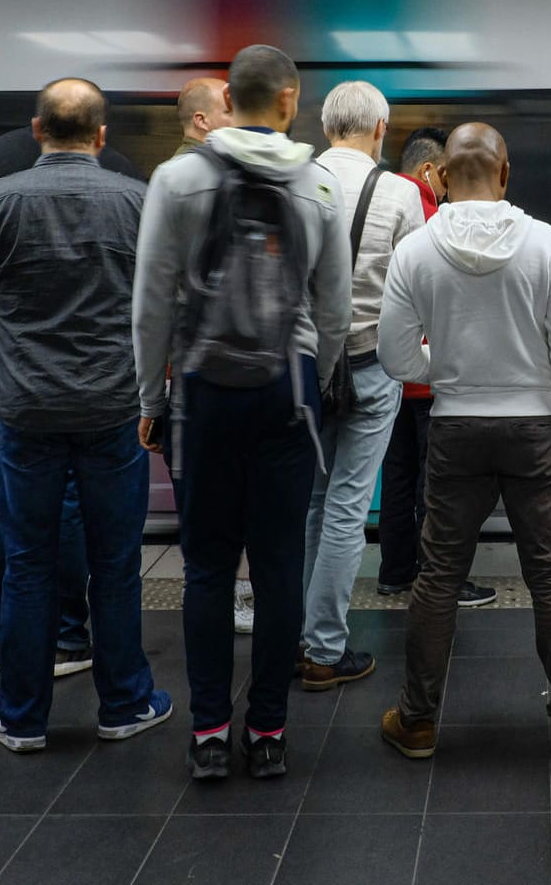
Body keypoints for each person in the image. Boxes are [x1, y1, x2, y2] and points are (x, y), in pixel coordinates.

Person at [133, 44, 350, 781]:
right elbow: (336, 310)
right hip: (285, 391)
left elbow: (151, 304)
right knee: (282, 565)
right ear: (289, 101)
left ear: (228, 97)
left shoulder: (178, 179)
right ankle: (268, 730)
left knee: (206, 569)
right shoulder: (320, 187)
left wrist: (151, 399)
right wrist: (309, 387)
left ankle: (208, 734)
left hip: (203, 394)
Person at [376, 122, 551, 761]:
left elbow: (396, 356)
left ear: (444, 177)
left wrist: (448, 369)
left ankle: (418, 720)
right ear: (505, 173)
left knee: (437, 577)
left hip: (455, 428)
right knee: (550, 576)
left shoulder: (416, 251)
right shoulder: (543, 244)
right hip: (537, 432)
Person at [0, 78, 172, 753]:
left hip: (23, 406)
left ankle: (21, 717)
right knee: (115, 562)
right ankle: (123, 702)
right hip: (113, 405)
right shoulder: (137, 202)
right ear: (102, 135)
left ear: (37, 130)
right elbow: (156, 306)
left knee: (27, 561)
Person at [0, 122, 139, 678]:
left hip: (5, 360)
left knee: (2, 498)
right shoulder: (123, 176)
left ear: (38, 125)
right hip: (99, 370)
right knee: (72, 502)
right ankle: (68, 639)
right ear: (98, 130)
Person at [299, 81, 425, 691]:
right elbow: (415, 291)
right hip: (372, 367)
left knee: (315, 504)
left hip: (304, 370)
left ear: (326, 129)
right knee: (349, 506)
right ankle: (323, 648)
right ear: (381, 130)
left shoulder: (293, 181)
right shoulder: (402, 192)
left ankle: (301, 633)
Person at [376, 127, 498, 607]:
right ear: (430, 171)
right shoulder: (432, 219)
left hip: (393, 379)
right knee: (437, 487)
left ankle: (394, 571)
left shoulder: (384, 209)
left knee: (398, 479)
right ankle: (441, 579)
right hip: (430, 381)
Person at [160, 78, 255, 635]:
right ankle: (233, 597)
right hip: (207, 363)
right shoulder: (188, 181)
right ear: (201, 121)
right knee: (222, 499)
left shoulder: (185, 177)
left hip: (195, 364)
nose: (239, 115)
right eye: (228, 108)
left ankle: (216, 595)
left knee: (207, 501)